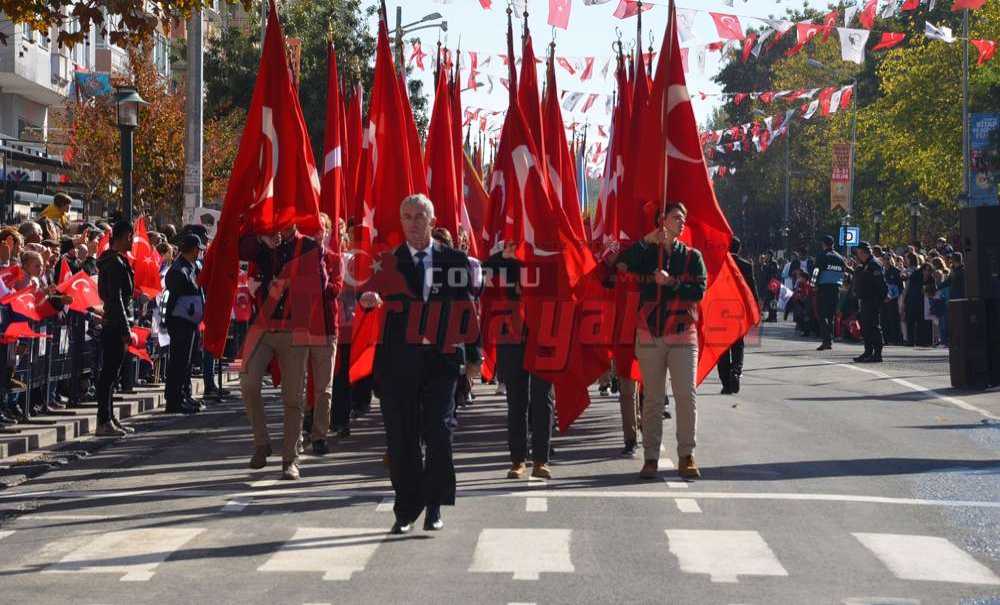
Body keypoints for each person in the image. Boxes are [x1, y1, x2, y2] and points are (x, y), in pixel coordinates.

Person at [358, 194, 476, 534]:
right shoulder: (389, 261)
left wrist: (473, 357)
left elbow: (466, 308)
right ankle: (406, 508)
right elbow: (369, 292)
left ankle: (434, 505)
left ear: (432, 221)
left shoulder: (454, 260)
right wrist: (369, 299)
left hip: (441, 363)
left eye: (418, 216)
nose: (412, 223)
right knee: (402, 438)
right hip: (399, 364)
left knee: (439, 432)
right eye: (406, 217)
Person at [616, 203, 706, 481]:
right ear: (662, 220)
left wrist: (672, 284)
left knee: (685, 396)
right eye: (676, 217)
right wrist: (645, 242)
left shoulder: (692, 256)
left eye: (684, 218)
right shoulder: (646, 254)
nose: (681, 222)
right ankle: (651, 458)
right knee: (652, 399)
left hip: (682, 333)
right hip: (650, 334)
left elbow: (699, 291)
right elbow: (619, 264)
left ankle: (686, 455)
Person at [239, 222, 332, 481]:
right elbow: (238, 247)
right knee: (248, 383)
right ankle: (261, 442)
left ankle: (290, 459)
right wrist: (261, 238)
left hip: (294, 327)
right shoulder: (263, 243)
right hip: (262, 326)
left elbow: (322, 284)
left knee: (293, 397)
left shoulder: (309, 245)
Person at [484, 240, 555, 481]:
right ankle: (517, 460)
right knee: (517, 399)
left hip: (544, 333)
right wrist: (505, 254)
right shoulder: (505, 258)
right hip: (512, 334)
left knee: (542, 397)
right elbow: (484, 270)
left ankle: (541, 459)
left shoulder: (546, 251)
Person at [95, 220, 135, 437]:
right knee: (109, 374)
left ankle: (109, 417)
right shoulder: (114, 263)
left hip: (115, 322)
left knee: (112, 374)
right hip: (115, 324)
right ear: (123, 236)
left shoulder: (116, 261)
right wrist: (125, 328)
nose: (132, 241)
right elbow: (116, 299)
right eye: (130, 236)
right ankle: (103, 420)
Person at [163, 234, 205, 415]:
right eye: (198, 249)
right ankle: (174, 400)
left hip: (190, 321)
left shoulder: (192, 266)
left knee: (187, 362)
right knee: (179, 361)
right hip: (180, 321)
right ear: (193, 249)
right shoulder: (179, 267)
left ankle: (184, 394)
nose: (199, 253)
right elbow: (176, 283)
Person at [717, 236, 756, 394]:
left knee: (722, 348)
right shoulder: (746, 265)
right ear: (739, 249)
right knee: (738, 345)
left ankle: (726, 382)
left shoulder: (719, 263)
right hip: (738, 311)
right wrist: (755, 310)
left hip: (719, 309)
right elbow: (751, 289)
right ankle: (736, 372)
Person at [852, 242, 887, 363]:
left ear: (863, 252)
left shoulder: (874, 264)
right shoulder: (865, 265)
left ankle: (877, 354)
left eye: (859, 253)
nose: (857, 256)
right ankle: (868, 352)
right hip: (865, 299)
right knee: (866, 327)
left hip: (873, 300)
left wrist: (880, 299)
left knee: (873, 327)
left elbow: (881, 284)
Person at [814, 235, 847, 351]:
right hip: (836, 288)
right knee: (831, 316)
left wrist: (813, 285)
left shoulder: (822, 256)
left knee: (822, 315)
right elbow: (844, 272)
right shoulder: (840, 258)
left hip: (824, 288)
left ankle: (826, 340)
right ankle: (830, 340)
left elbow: (816, 272)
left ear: (823, 244)